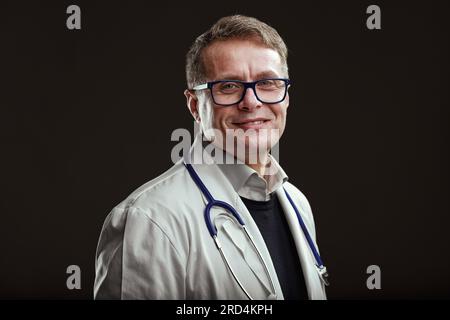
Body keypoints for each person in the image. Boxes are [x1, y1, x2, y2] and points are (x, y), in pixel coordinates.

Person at [94, 15, 327, 300]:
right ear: (195, 106)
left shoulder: (297, 204)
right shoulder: (149, 219)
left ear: (286, 96)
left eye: (268, 83)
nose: (251, 102)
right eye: (228, 87)